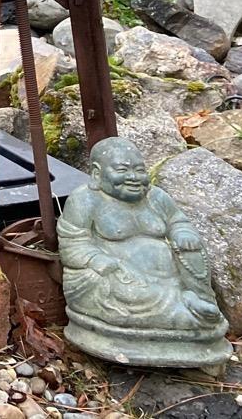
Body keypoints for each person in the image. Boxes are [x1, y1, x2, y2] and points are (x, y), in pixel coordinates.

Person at [58, 136, 231, 367]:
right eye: (122, 170)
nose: (133, 177)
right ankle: (188, 313)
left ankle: (194, 301)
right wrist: (97, 259)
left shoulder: (156, 197)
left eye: (139, 170)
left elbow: (178, 221)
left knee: (192, 251)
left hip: (169, 276)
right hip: (121, 276)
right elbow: (72, 242)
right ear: (97, 174)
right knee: (109, 285)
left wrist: (183, 234)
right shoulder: (85, 199)